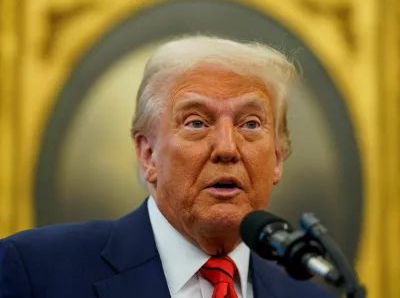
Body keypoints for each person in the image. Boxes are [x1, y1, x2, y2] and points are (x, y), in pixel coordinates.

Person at [0, 36, 335, 298]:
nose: (227, 148)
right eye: (195, 122)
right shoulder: (35, 271)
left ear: (277, 158)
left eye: (250, 124)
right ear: (148, 155)